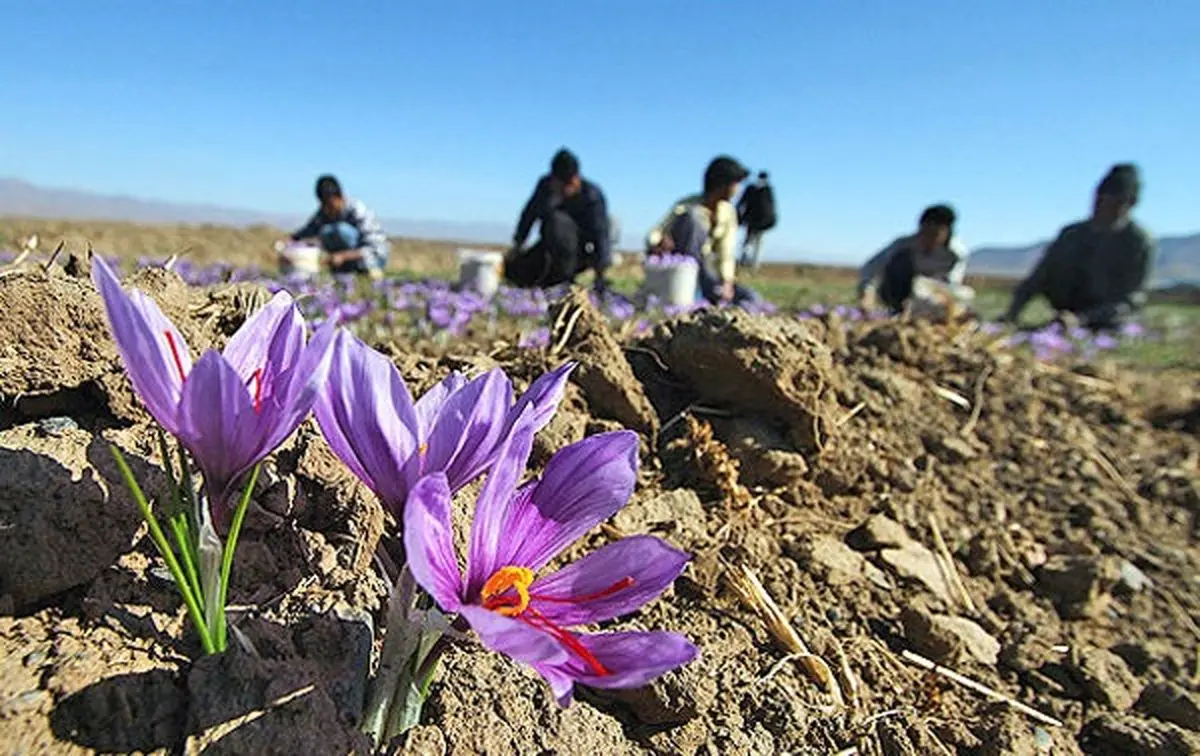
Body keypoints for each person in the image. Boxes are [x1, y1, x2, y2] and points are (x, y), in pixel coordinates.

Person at [1003, 163, 1155, 329]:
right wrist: (1012, 313)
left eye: (1114, 202)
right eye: (1100, 200)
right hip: (1066, 312)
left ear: (1130, 203)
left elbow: (1130, 300)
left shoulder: (1137, 241)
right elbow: (1038, 277)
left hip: (1108, 320)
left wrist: (1082, 319)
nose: (1103, 207)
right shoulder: (1071, 234)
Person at [645, 156, 760, 306]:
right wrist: (658, 243)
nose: (738, 189)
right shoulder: (687, 206)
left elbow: (726, 251)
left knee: (750, 298)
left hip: (708, 271)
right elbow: (655, 233)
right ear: (722, 183)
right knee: (692, 218)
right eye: (735, 183)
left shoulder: (728, 212)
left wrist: (727, 281)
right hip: (682, 270)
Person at [505, 148, 612, 293]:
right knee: (515, 272)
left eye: (569, 184)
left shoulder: (591, 195)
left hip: (580, 252)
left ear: (576, 178)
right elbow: (529, 215)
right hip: (549, 246)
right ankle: (549, 278)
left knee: (558, 221)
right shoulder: (546, 187)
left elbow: (601, 235)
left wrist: (600, 274)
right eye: (560, 183)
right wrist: (518, 244)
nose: (564, 189)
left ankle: (564, 279)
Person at [858, 204, 969, 314]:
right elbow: (870, 268)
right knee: (901, 262)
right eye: (925, 232)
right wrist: (867, 294)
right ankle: (896, 309)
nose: (928, 239)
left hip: (933, 295)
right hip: (901, 293)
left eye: (935, 234)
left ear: (947, 232)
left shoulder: (956, 254)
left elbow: (952, 284)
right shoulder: (902, 245)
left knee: (965, 295)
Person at [287, 175, 389, 277]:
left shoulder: (358, 210)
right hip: (347, 259)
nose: (327, 210)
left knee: (338, 230)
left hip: (373, 259)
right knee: (325, 231)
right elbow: (308, 231)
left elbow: (373, 248)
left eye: (330, 205)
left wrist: (343, 256)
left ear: (340, 197)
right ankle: (345, 271)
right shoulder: (324, 212)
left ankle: (366, 271)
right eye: (323, 205)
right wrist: (291, 242)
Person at [736, 171, 777, 270]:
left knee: (748, 242)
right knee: (756, 243)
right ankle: (753, 264)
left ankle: (746, 261)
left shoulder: (752, 189)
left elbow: (741, 203)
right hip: (761, 221)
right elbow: (771, 208)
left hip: (753, 220)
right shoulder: (767, 190)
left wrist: (740, 217)